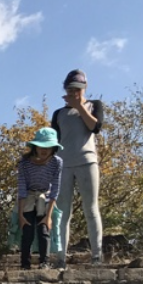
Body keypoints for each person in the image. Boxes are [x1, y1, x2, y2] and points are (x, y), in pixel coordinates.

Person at [51, 69, 105, 264]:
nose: (73, 93)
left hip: (87, 161)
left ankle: (97, 256)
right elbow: (53, 141)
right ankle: (60, 258)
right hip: (63, 165)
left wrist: (80, 107)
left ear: (84, 89)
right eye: (70, 90)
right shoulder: (58, 113)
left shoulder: (94, 105)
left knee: (91, 209)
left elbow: (95, 127)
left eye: (77, 89)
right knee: (63, 212)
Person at [17, 127, 63, 268]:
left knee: (44, 230)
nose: (45, 150)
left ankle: (45, 262)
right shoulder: (24, 163)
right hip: (28, 199)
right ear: (35, 147)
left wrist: (48, 216)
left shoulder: (57, 162)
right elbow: (22, 188)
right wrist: (20, 215)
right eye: (42, 146)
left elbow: (55, 188)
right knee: (27, 231)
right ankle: (25, 263)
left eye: (49, 147)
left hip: (46, 199)